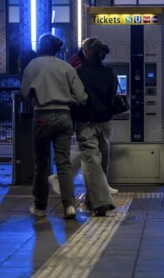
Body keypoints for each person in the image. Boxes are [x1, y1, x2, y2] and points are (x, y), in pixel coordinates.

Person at [21, 34, 88, 219]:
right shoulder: (66, 67)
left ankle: (40, 206)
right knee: (64, 164)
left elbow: (25, 92)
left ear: (41, 47)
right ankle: (69, 206)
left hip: (42, 115)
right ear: (58, 49)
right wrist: (68, 101)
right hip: (64, 116)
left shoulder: (32, 66)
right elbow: (82, 97)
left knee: (41, 164)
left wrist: (37, 99)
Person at [72, 37, 117, 216]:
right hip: (105, 121)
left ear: (85, 52)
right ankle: (92, 200)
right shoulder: (110, 73)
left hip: (85, 122)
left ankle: (101, 201)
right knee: (102, 162)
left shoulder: (78, 73)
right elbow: (112, 96)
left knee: (91, 161)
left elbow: (75, 98)